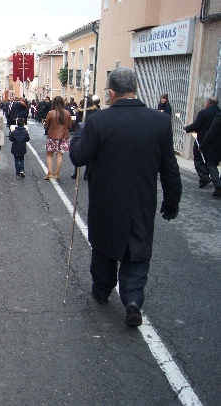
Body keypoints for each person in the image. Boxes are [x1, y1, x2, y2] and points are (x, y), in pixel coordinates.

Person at [69, 67, 182, 327]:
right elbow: (169, 166)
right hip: (141, 200)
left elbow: (78, 157)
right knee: (137, 250)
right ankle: (132, 299)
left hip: (106, 201)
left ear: (111, 92)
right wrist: (172, 199)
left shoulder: (97, 122)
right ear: (136, 89)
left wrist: (79, 132)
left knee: (104, 248)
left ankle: (101, 290)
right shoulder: (160, 121)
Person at [183, 97, 220, 188]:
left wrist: (187, 128)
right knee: (208, 159)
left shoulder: (203, 113)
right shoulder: (219, 112)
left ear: (208, 103)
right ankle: (207, 177)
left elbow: (197, 124)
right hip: (216, 141)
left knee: (198, 158)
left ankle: (204, 177)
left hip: (203, 139)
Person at [43, 96, 72, 180]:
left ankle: (50, 173)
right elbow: (70, 125)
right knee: (59, 155)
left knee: (49, 154)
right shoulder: (67, 113)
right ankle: (57, 174)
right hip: (63, 136)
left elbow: (46, 126)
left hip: (52, 136)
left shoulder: (51, 113)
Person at [71, 95, 98, 180]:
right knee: (90, 153)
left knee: (78, 152)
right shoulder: (96, 111)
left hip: (81, 132)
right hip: (92, 133)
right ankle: (87, 173)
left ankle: (76, 172)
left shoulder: (79, 112)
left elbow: (77, 123)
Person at [200, 111, 221, 198]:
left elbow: (212, 130)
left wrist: (203, 145)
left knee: (211, 164)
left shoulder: (219, 115)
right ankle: (218, 190)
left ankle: (218, 185)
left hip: (218, 145)